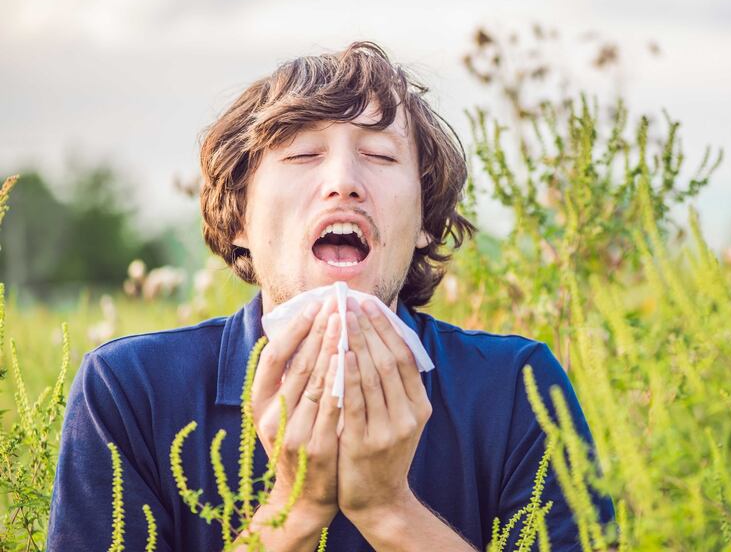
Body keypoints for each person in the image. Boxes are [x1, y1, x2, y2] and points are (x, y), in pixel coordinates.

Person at [47, 42, 615, 551]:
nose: (344, 180)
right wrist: (294, 511)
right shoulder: (129, 391)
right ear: (240, 218)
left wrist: (390, 510)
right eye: (301, 155)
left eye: (382, 156)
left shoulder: (520, 390)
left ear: (424, 220)